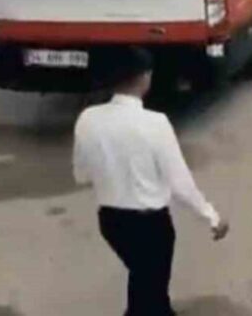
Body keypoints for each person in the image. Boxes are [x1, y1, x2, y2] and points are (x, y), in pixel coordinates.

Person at [73, 48, 229, 316]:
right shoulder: (155, 123)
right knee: (149, 290)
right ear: (145, 77)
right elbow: (180, 182)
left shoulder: (88, 119)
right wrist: (211, 216)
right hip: (151, 226)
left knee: (145, 282)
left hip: (111, 223)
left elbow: (81, 175)